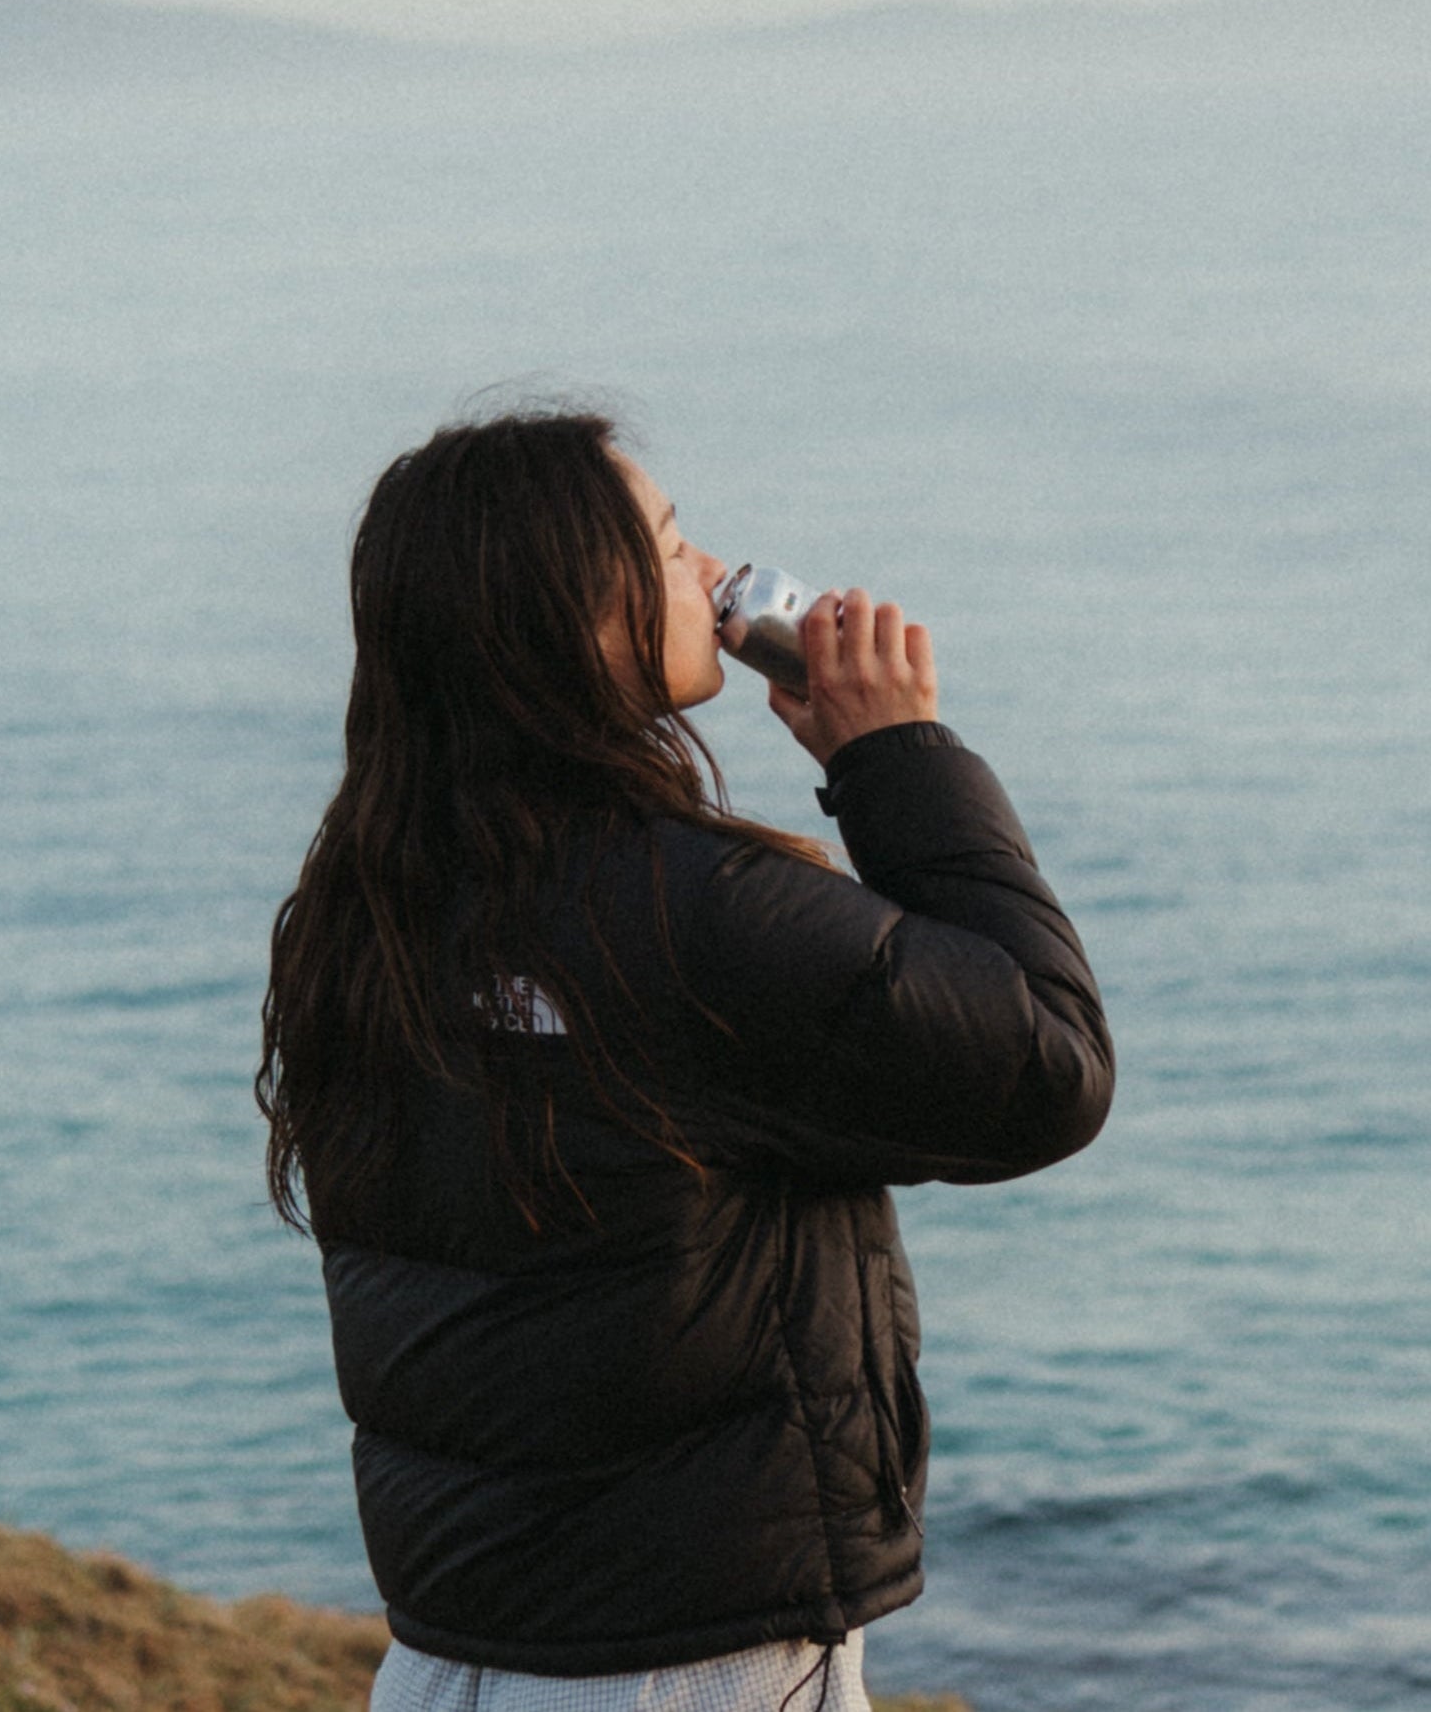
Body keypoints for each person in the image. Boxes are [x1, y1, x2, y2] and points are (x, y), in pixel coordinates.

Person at [257, 407, 1113, 1710]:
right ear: (578, 615)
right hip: (689, 1662)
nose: (712, 569)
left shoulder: (362, 907)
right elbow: (1042, 1070)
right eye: (664, 546)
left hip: (453, 1658)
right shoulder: (688, 917)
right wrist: (895, 758)